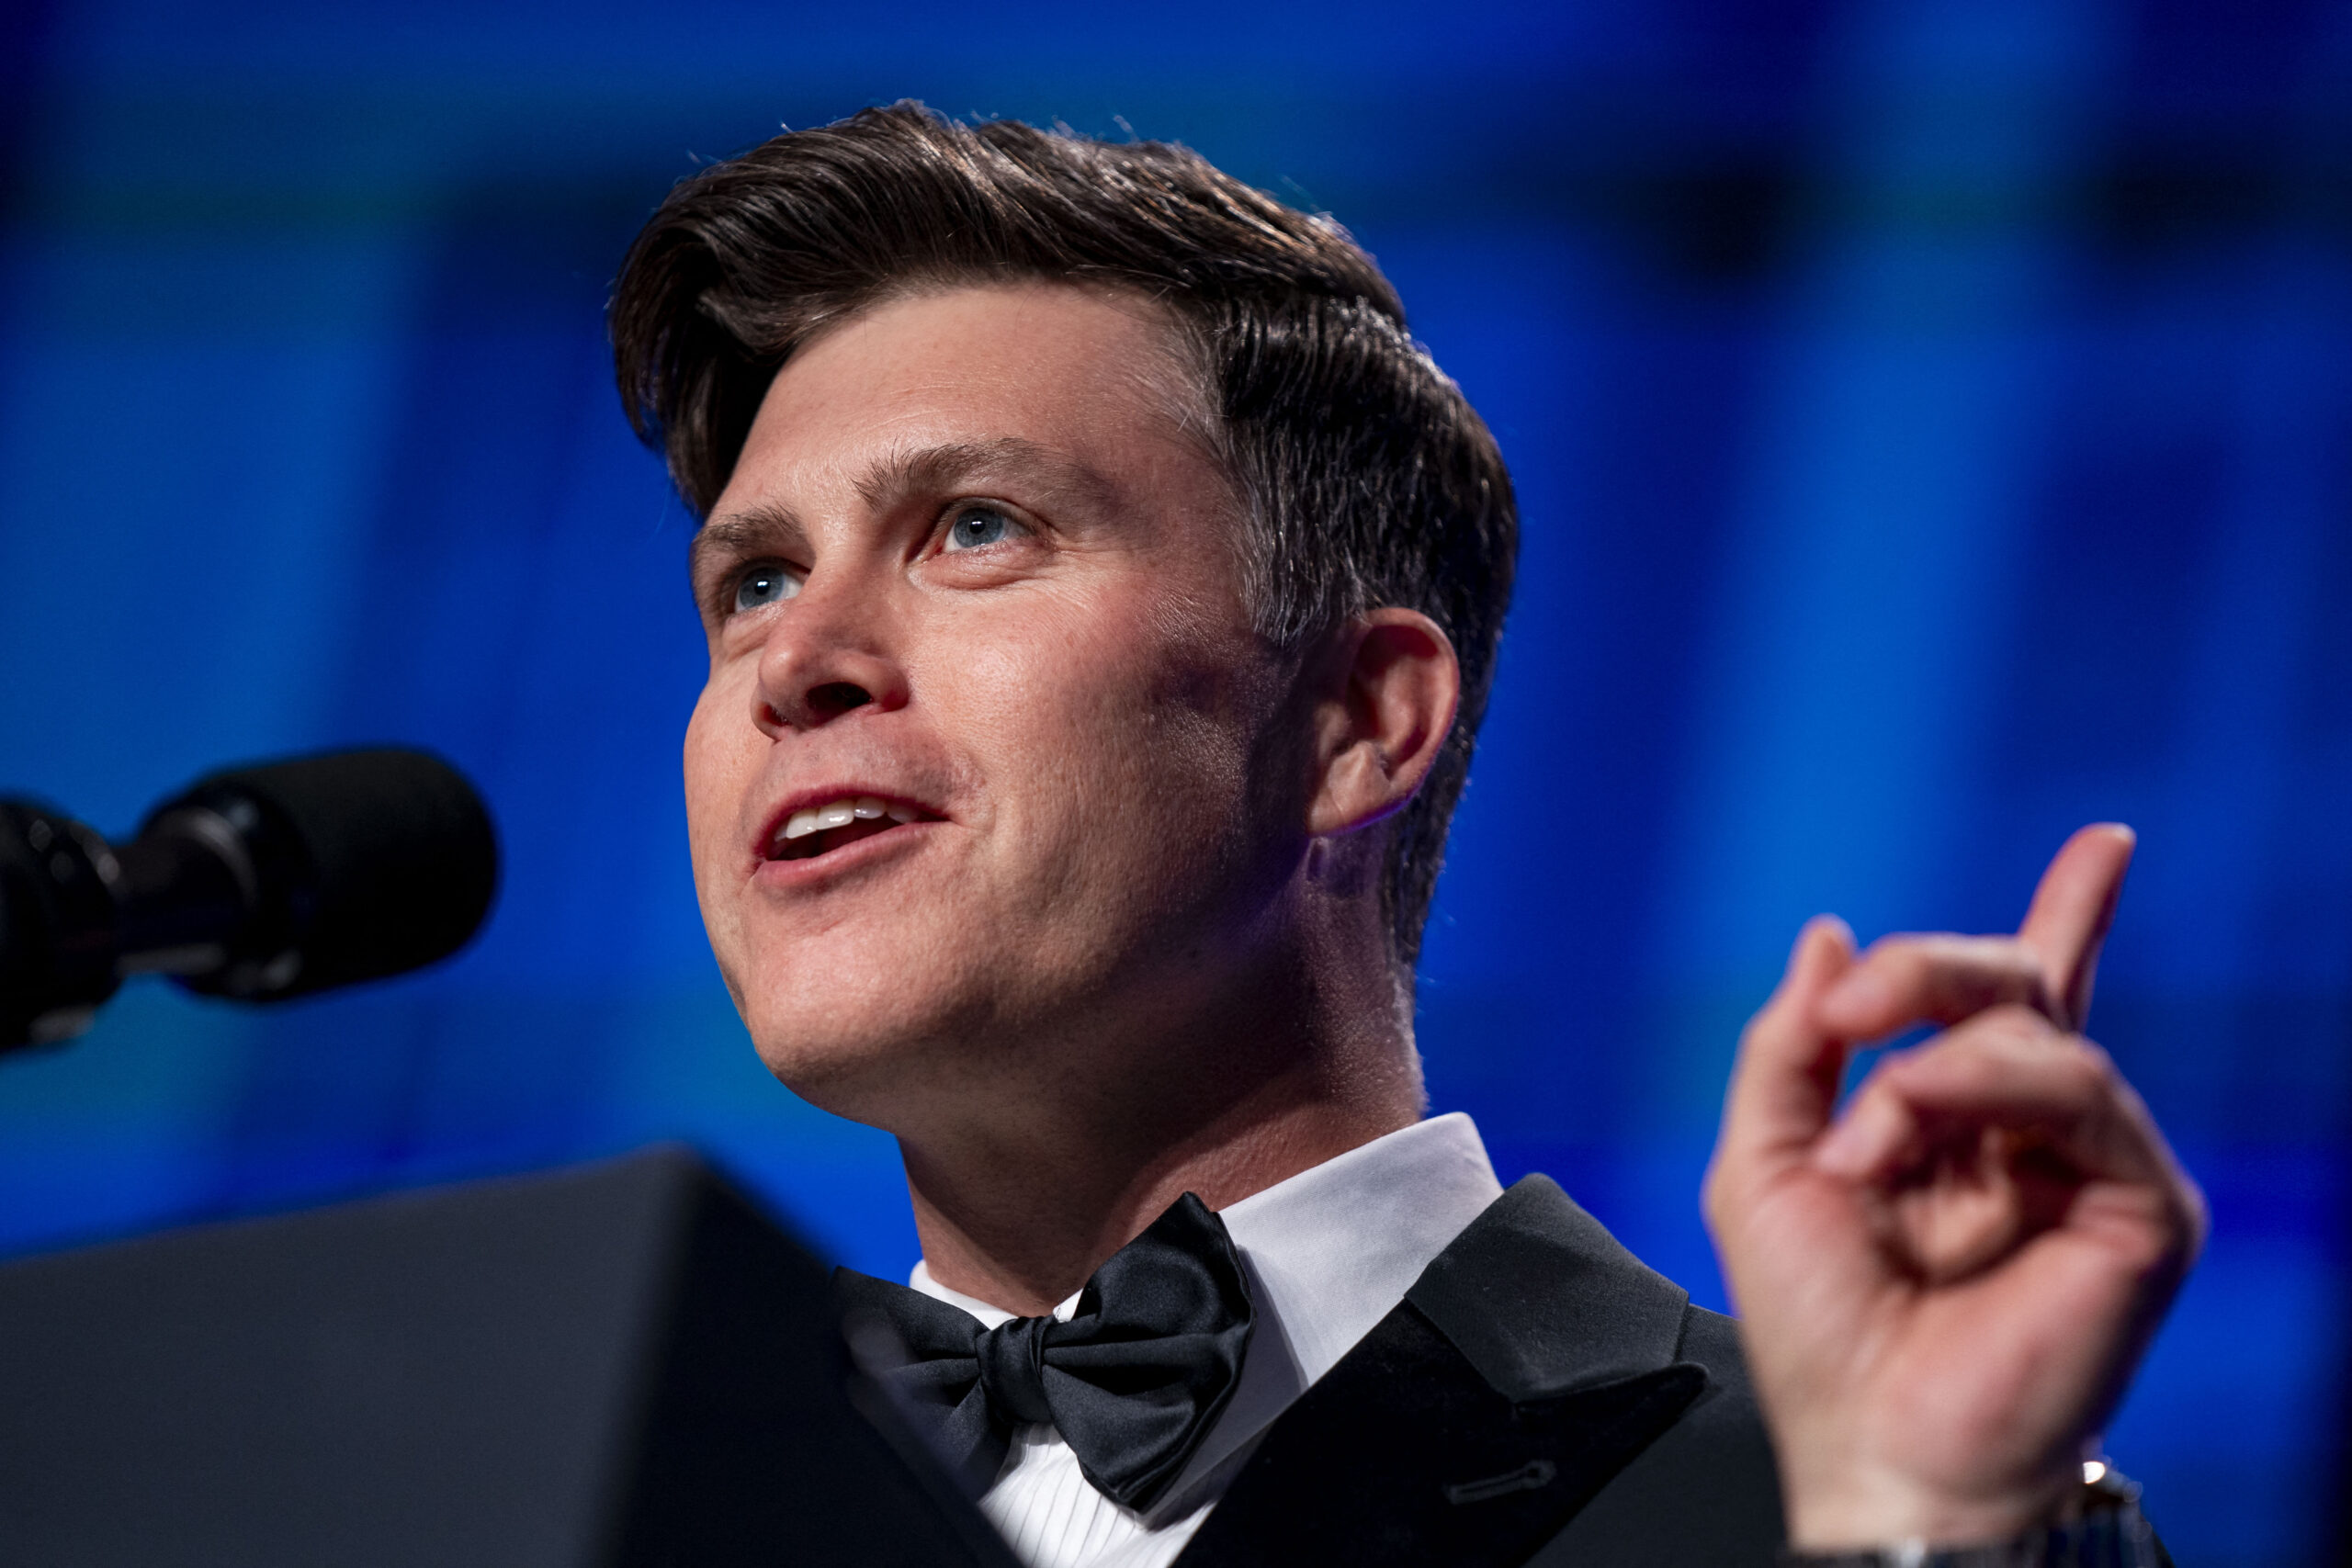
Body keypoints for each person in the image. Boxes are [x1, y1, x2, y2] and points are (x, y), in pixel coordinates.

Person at [608, 104, 2204, 1567]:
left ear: (1361, 722)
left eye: (974, 528)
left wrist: (1933, 1525)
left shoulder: (1809, 1499)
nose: (796, 662)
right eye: (752, 582)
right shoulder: (627, 1512)